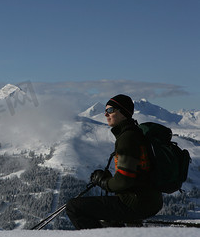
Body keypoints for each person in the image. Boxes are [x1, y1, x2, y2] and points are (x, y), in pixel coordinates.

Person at [65, 94, 163, 229]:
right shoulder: (135, 133)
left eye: (110, 110)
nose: (106, 114)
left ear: (123, 112)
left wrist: (103, 182)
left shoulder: (127, 138)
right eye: (105, 111)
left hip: (135, 204)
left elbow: (124, 180)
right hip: (150, 202)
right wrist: (108, 181)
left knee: (73, 207)